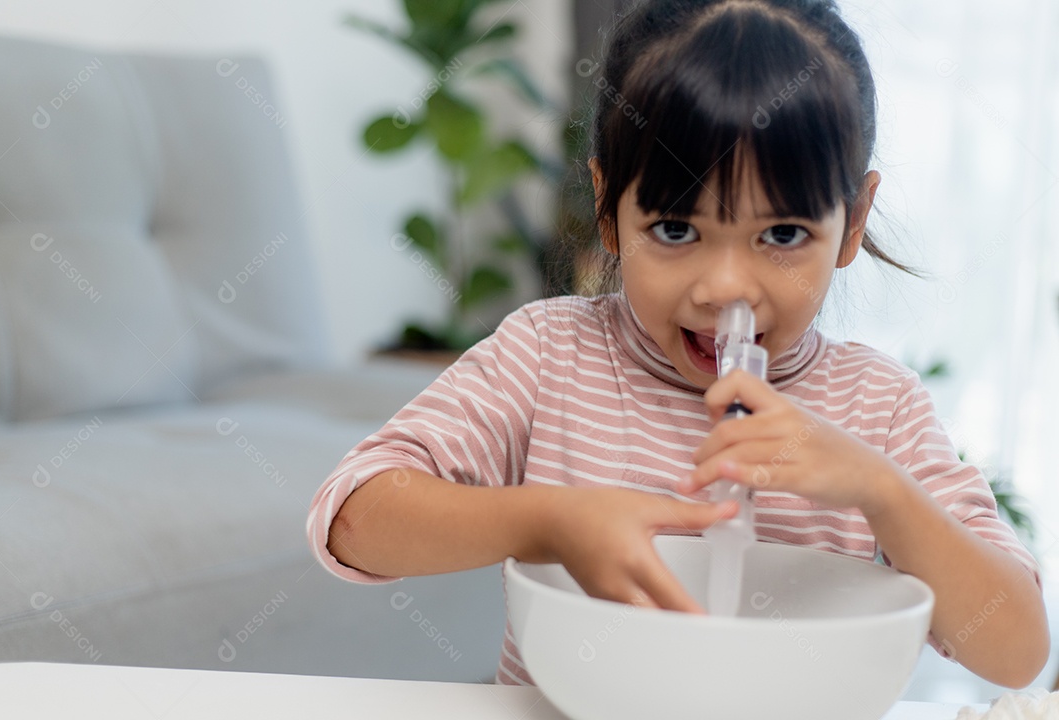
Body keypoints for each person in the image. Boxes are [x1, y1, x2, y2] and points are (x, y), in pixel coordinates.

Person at [308, 0, 1048, 688]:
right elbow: (353, 521)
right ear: (608, 209)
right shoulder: (548, 354)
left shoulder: (878, 409)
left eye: (782, 234)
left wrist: (881, 491)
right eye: (675, 229)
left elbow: (1016, 652)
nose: (725, 288)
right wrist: (547, 520)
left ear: (852, 223)